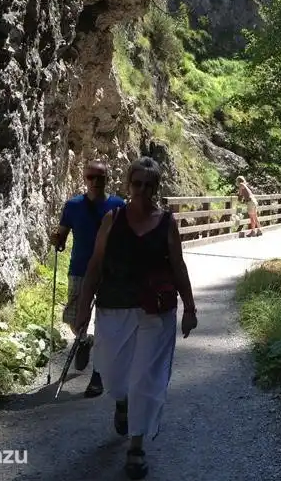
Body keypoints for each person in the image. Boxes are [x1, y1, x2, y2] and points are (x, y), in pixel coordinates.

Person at [74, 156, 198, 480]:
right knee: (114, 375)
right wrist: (83, 308)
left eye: (148, 185)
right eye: (137, 183)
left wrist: (190, 308)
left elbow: (178, 266)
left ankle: (137, 446)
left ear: (156, 188)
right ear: (128, 185)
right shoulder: (112, 219)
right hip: (114, 307)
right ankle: (122, 402)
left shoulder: (166, 222)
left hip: (156, 311)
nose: (142, 190)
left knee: (146, 378)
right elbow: (95, 266)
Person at [51, 160, 125, 398]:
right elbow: (62, 234)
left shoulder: (118, 205)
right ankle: (83, 340)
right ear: (84, 179)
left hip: (109, 271)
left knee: (105, 322)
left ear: (107, 178)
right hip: (80, 268)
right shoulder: (73, 206)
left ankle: (98, 375)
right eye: (91, 177)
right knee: (75, 319)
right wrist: (57, 240)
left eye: (100, 177)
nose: (95, 181)